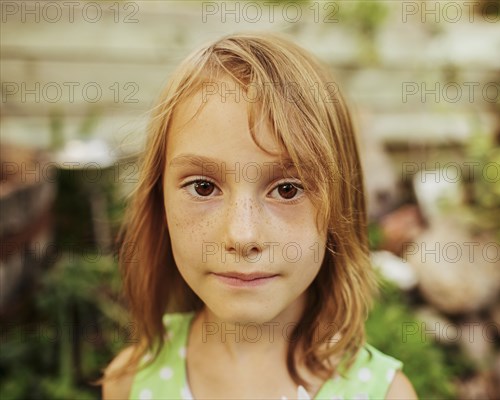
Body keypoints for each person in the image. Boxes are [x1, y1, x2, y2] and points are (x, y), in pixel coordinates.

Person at [102, 32, 417, 399]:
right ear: (160, 202)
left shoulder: (382, 395)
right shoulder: (130, 382)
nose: (242, 235)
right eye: (204, 187)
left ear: (340, 208)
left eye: (287, 189)